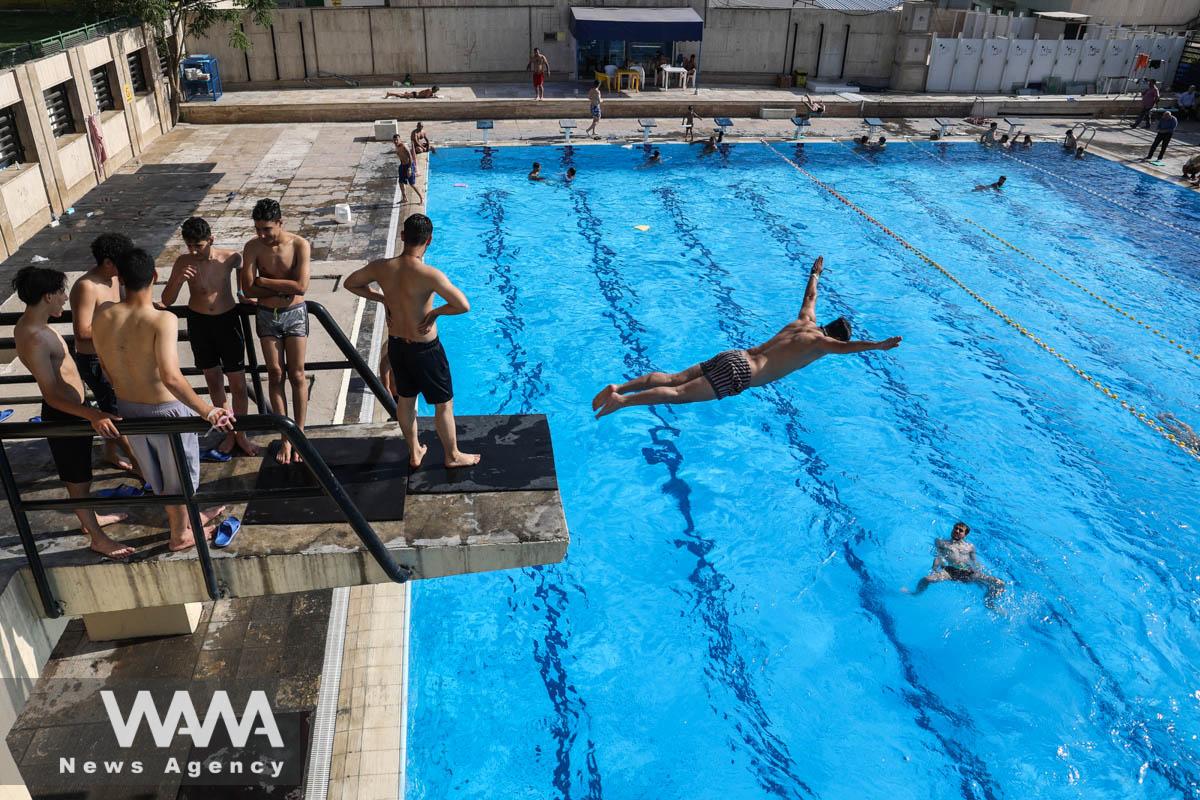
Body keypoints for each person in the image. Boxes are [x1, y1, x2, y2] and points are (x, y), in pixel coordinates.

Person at [591, 257, 901, 417]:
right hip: (741, 373)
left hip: (736, 355)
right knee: (678, 395)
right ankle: (623, 401)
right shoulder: (820, 344)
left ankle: (620, 386)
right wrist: (878, 345)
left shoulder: (805, 321)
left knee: (672, 379)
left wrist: (815, 273)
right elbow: (849, 348)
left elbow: (810, 296)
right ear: (835, 339)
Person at [92, 248, 235, 551]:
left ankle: (187, 519)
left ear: (119, 278)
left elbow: (104, 365)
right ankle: (180, 535)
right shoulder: (162, 319)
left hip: (127, 406)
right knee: (180, 476)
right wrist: (207, 410)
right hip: (166, 410)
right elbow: (171, 377)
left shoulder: (103, 313)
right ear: (155, 277)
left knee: (159, 475)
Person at [13, 266, 133, 559]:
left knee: (84, 478)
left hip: (75, 412)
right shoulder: (34, 337)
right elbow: (51, 394)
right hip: (63, 416)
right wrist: (91, 415)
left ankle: (90, 520)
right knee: (77, 483)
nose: (66, 299)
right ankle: (98, 538)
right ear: (48, 295)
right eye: (62, 293)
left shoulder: (35, 324)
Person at [343, 213, 480, 470]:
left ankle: (414, 451)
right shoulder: (430, 274)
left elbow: (351, 283)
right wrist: (435, 312)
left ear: (403, 236)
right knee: (444, 403)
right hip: (425, 349)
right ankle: (452, 455)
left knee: (405, 399)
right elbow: (463, 305)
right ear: (429, 240)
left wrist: (382, 298)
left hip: (397, 345)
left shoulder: (381, 267)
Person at [160, 216, 258, 458]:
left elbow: (244, 284)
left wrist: (247, 295)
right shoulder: (183, 262)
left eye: (199, 246)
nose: (194, 251)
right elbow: (167, 300)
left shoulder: (230, 258)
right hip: (199, 322)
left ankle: (241, 435)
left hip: (227, 320)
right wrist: (178, 278)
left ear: (210, 240)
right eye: (190, 246)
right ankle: (227, 432)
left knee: (237, 382)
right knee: (214, 381)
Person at [239, 199, 311, 465]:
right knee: (275, 373)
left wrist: (265, 281)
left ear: (280, 223)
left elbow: (301, 286)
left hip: (294, 315)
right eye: (258, 229)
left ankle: (300, 433)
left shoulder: (299, 244)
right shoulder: (252, 247)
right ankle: (285, 437)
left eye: (267, 229)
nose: (262, 234)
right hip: (267, 316)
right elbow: (248, 289)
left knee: (298, 373)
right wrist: (284, 287)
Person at [70, 233, 138, 473]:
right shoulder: (87, 287)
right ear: (108, 262)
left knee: (113, 407)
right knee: (115, 412)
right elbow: (82, 331)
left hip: (113, 355)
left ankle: (109, 452)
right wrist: (119, 333)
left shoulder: (113, 279)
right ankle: (139, 464)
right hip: (95, 359)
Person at [911, 522, 1006, 605]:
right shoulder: (941, 542)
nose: (957, 531)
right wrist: (935, 568)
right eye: (955, 528)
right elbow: (938, 556)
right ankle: (915, 593)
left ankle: (989, 603)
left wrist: (979, 571)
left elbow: (974, 561)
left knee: (999, 583)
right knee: (926, 579)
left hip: (968, 572)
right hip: (950, 572)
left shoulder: (970, 547)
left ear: (965, 535)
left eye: (960, 530)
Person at [392, 134, 424, 205]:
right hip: (402, 166)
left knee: (412, 184)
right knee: (400, 182)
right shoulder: (396, 147)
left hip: (409, 165)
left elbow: (410, 156)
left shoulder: (404, 146)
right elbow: (400, 156)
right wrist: (401, 165)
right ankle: (404, 198)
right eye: (394, 140)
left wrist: (409, 168)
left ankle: (421, 198)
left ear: (400, 139)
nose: (396, 141)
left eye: (397, 140)